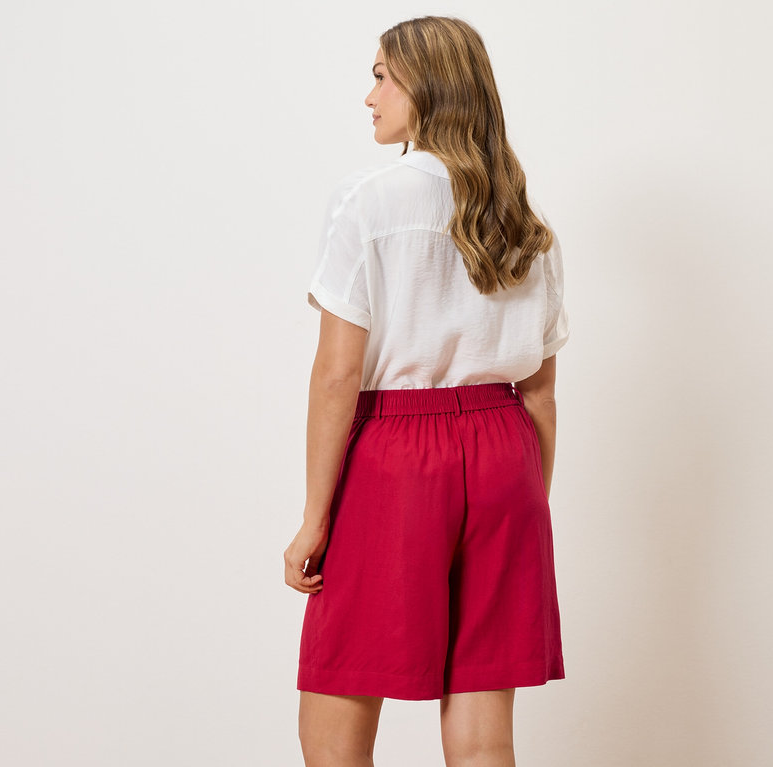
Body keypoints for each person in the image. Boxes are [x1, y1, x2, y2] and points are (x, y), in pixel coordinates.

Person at [283, 15, 570, 767]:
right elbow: (540, 392)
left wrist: (314, 519)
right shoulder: (524, 218)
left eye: (382, 76)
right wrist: (526, 504)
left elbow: (338, 374)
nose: (369, 96)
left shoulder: (369, 200)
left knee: (337, 709)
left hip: (398, 455)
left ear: (427, 87)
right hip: (506, 455)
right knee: (483, 736)